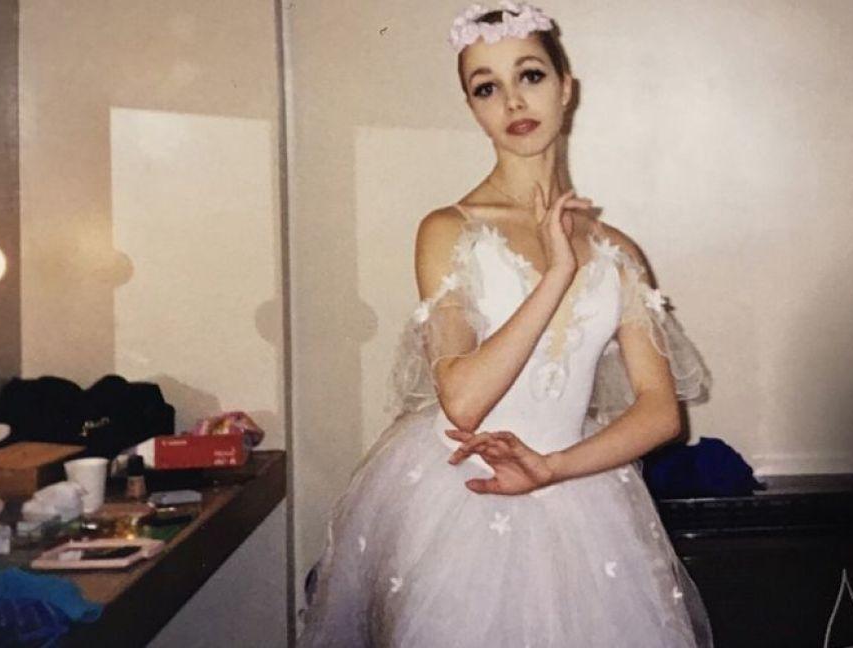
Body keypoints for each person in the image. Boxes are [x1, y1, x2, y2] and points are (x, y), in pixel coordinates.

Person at [298, 3, 714, 646]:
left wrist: (553, 467)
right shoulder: (448, 230)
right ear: (472, 107)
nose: (513, 100)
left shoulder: (619, 251)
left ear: (566, 88)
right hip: (463, 495)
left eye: (531, 75)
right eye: (486, 87)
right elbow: (463, 399)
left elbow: (661, 413)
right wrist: (556, 273)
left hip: (577, 488)